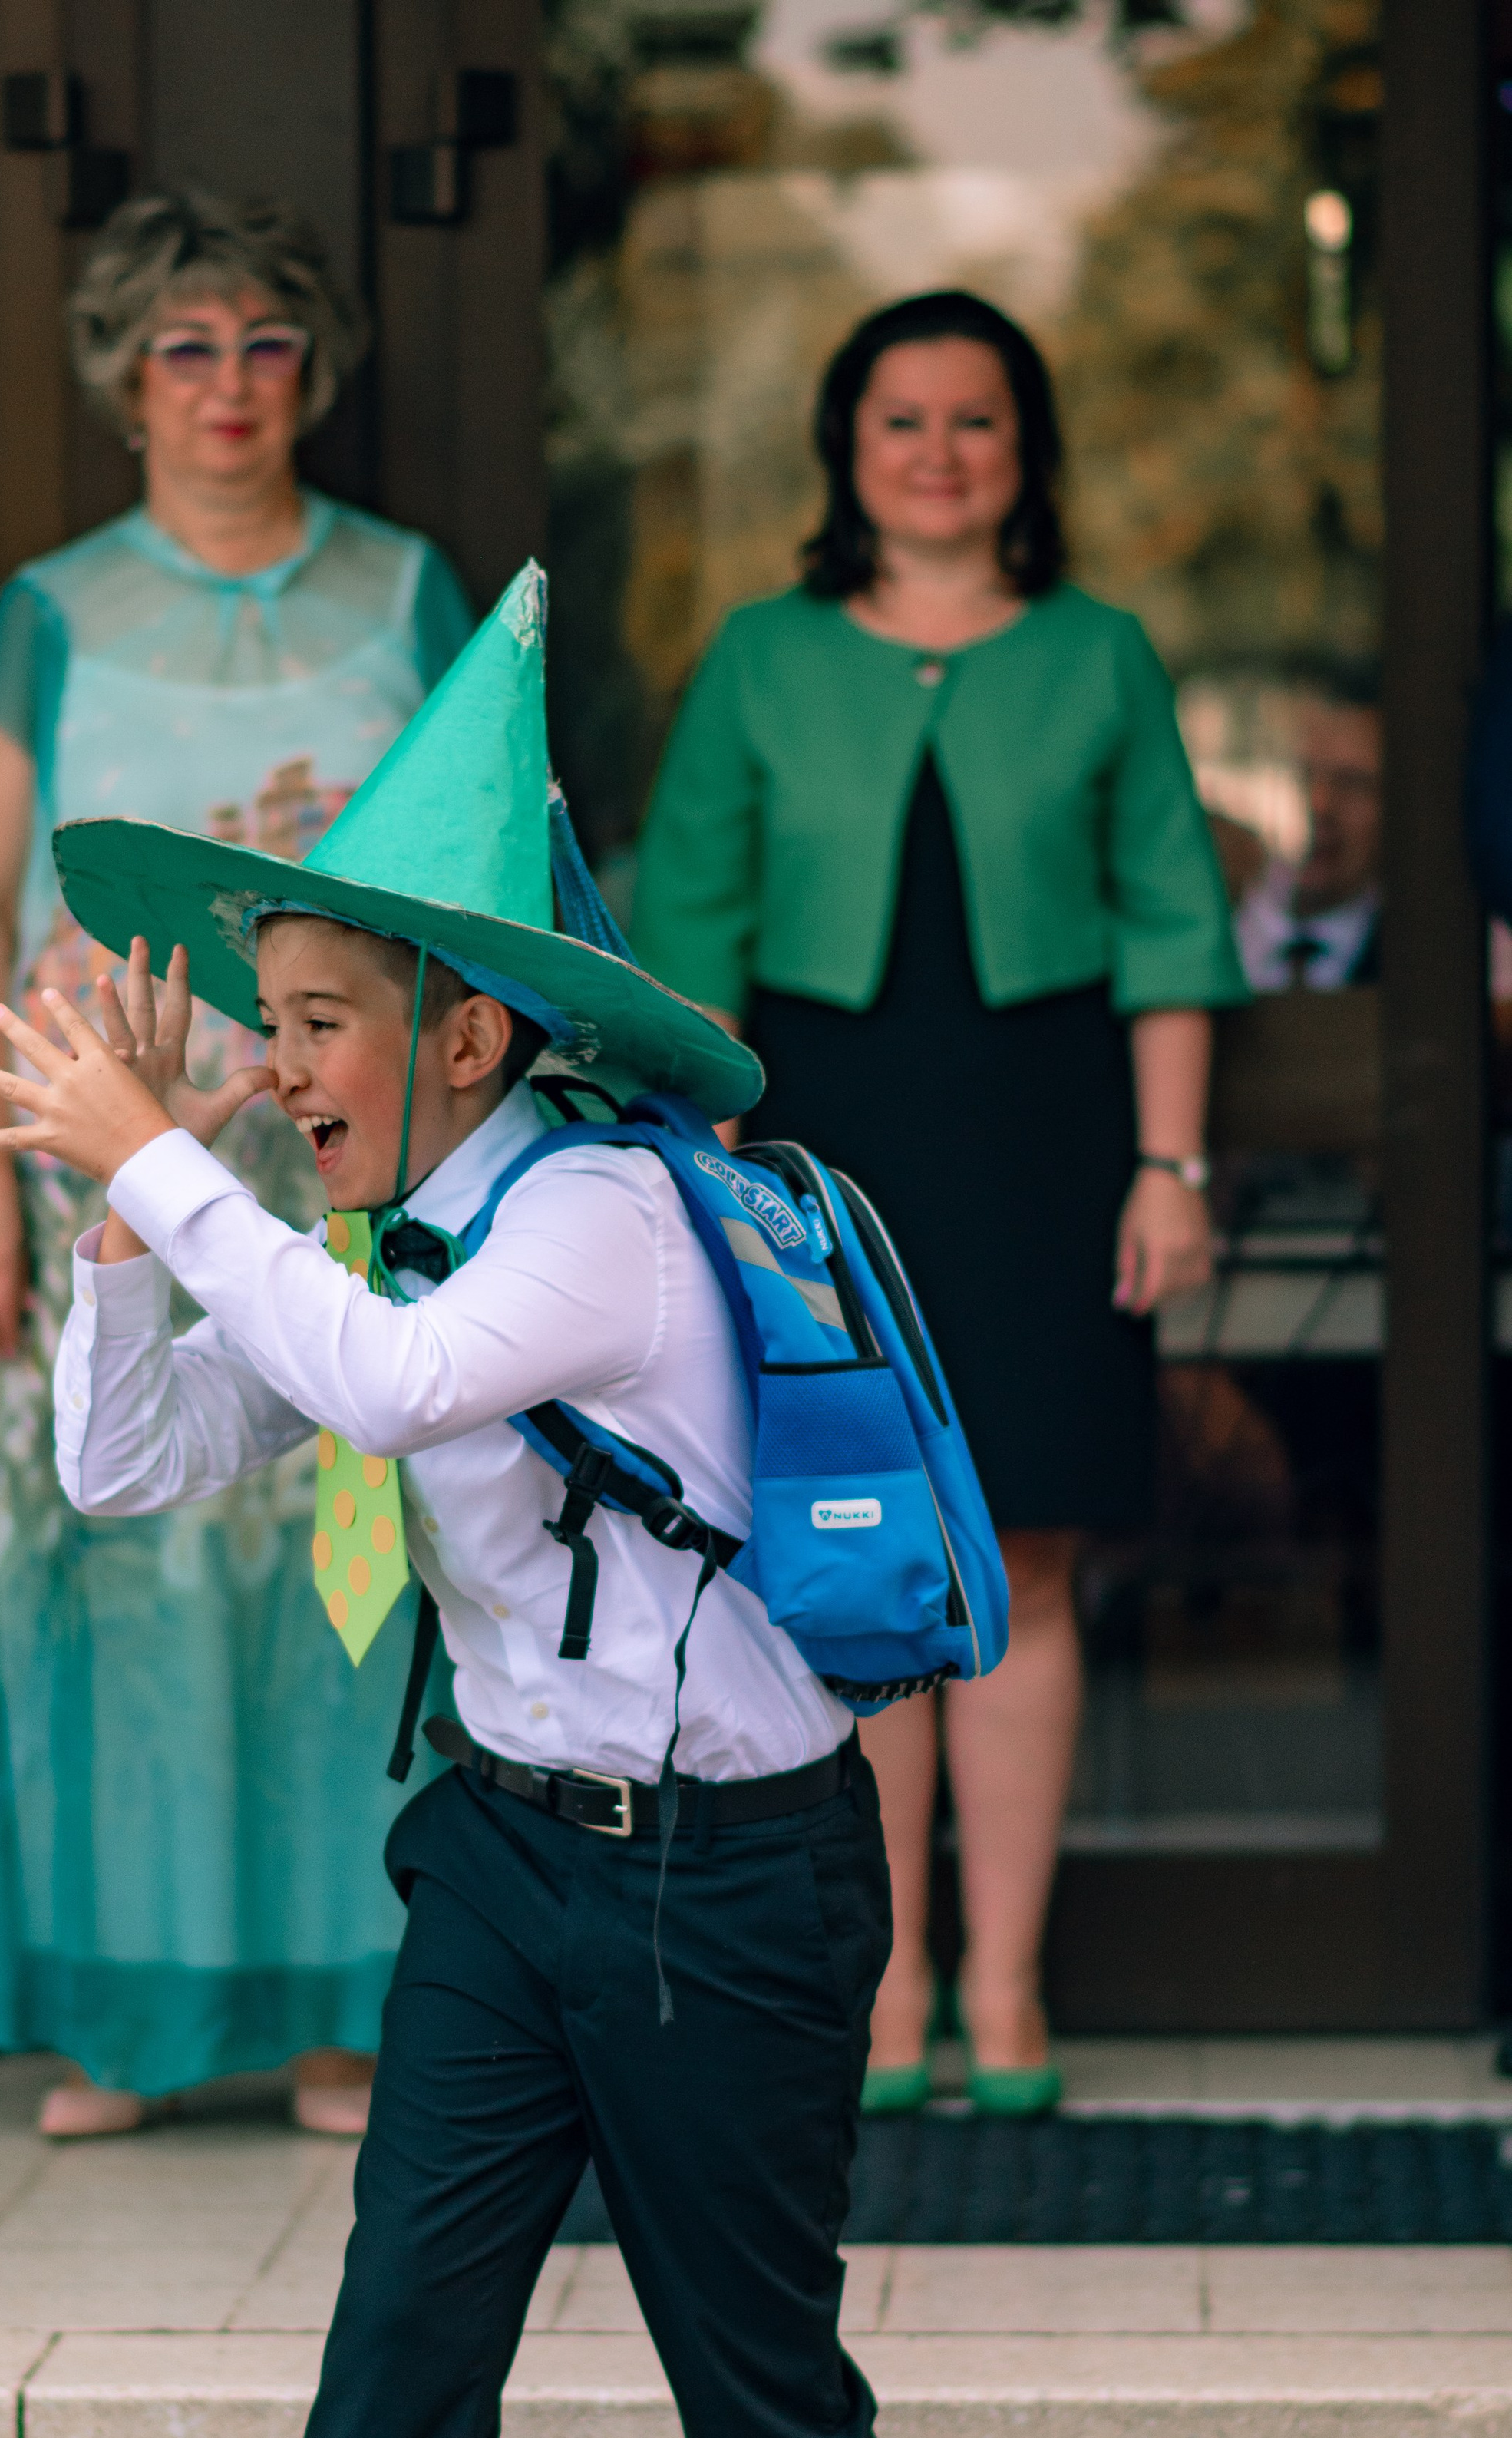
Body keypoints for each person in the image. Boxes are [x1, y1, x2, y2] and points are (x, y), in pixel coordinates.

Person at [0, 568, 1008, 2438]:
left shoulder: (601, 1216)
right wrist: (125, 1216)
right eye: (269, 1018)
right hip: (508, 1865)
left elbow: (388, 1389)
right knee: (400, 2355)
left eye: (321, 1019)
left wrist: (166, 1166)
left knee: (754, 2373)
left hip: (728, 1879)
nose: (280, 1060)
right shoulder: (380, 1237)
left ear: (463, 1033)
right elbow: (131, 1460)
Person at [632, 289, 1246, 2113]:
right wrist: (703, 1186)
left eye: (972, 418)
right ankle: (886, 1983)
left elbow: (1169, 926)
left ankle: (1007, 1985)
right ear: (845, 447)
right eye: (898, 418)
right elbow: (688, 939)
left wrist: (1170, 1167)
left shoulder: (1101, 654)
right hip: (817, 1153)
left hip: (1048, 1148)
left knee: (1028, 1554)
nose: (935, 451)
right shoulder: (757, 657)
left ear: (1023, 448)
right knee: (862, 1558)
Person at [0, 189, 471, 2140]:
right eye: (182, 348)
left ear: (311, 372)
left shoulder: (405, 590)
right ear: (122, 383)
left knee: (349, 1573)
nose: (225, 384)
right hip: (93, 1169)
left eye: (261, 344)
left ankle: (345, 2011)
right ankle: (124, 2025)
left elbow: (480, 874)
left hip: (352, 1168)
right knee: (120, 1582)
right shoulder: (52, 612)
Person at [1233, 663, 1382, 992]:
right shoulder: (1201, 933)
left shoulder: (1420, 961)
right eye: (1303, 775)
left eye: (1353, 783)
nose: (1319, 804)